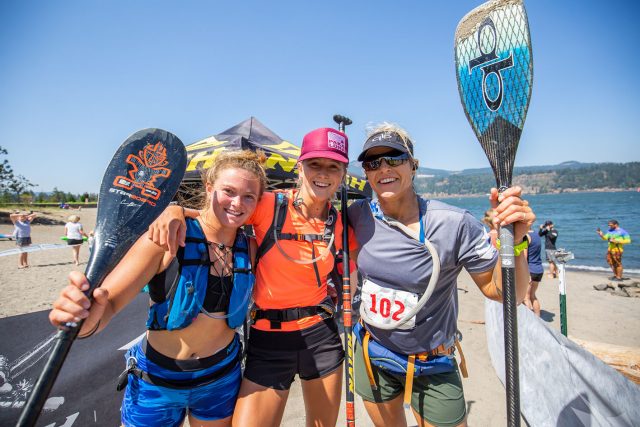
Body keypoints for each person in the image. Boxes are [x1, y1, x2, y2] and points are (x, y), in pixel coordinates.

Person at [149, 128, 357, 427]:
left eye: (333, 166)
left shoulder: (340, 223)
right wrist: (175, 210)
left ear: (342, 174)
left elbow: (368, 261)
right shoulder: (270, 204)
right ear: (300, 166)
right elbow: (222, 214)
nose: (323, 173)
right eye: (315, 164)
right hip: (268, 338)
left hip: (320, 336)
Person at [49, 150, 267, 427]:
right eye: (228, 191)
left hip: (220, 378)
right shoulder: (166, 237)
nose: (237, 203)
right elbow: (110, 302)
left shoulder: (250, 247)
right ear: (209, 188)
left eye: (249, 196)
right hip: (158, 381)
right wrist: (83, 317)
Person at [347, 123, 534, 427]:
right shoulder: (357, 215)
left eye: (394, 158)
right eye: (373, 162)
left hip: (431, 364)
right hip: (372, 355)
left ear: (413, 165)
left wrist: (516, 242)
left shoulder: (453, 223)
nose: (384, 168)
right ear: (366, 172)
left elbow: (502, 292)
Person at [524, 227, 543, 317]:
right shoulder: (536, 234)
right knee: (532, 296)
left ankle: (528, 321)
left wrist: (526, 273)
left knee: (526, 298)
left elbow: (524, 257)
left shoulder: (526, 236)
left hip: (530, 270)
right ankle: (538, 319)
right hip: (538, 269)